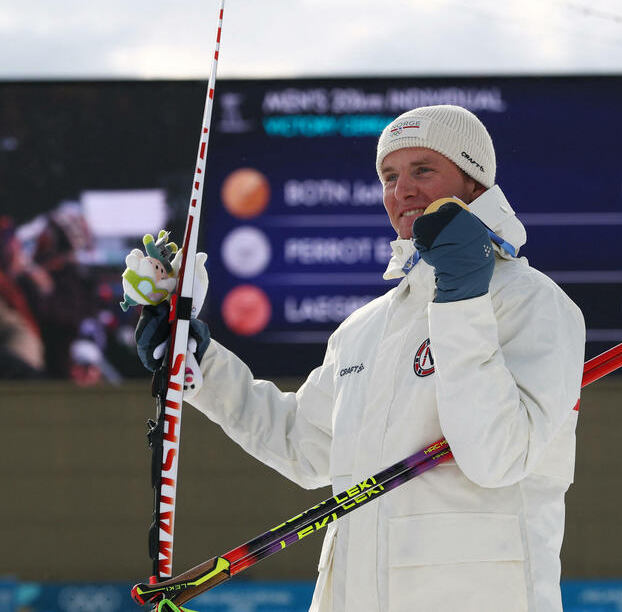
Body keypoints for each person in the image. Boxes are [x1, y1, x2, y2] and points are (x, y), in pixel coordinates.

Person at [137, 104, 586, 611]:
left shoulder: (533, 303)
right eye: (389, 177)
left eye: (423, 170)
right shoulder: (366, 328)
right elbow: (303, 445)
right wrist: (200, 367)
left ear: (474, 185)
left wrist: (462, 301)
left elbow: (497, 456)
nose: (402, 191)